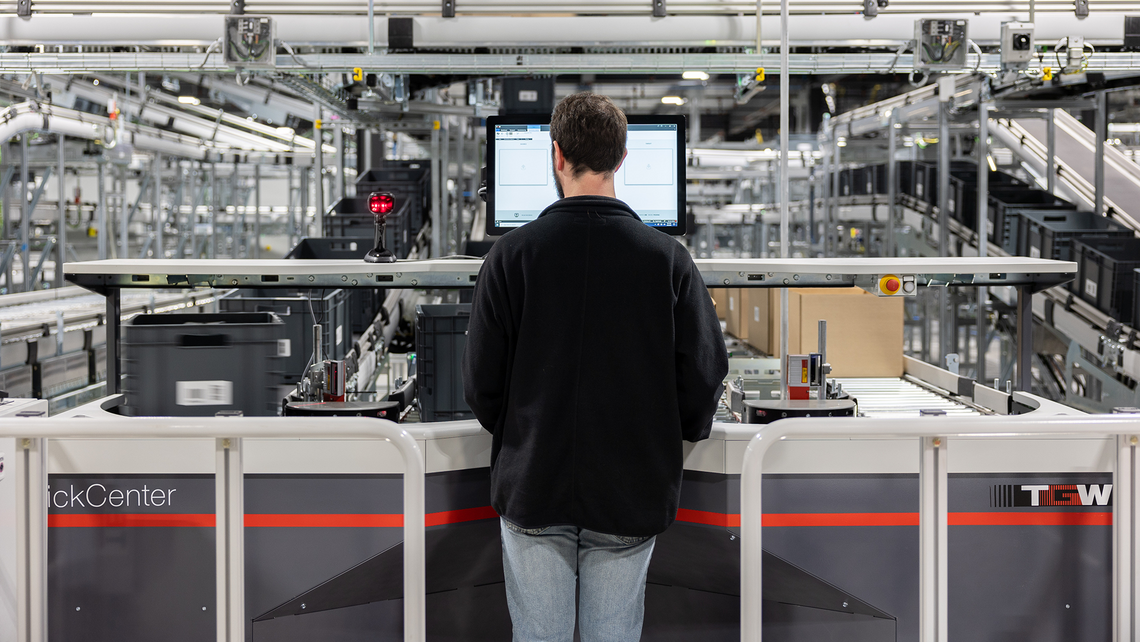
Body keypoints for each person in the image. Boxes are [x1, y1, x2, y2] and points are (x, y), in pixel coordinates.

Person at [462, 92, 728, 642]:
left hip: (535, 484)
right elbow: (704, 373)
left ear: (556, 156)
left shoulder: (509, 257)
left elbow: (482, 385)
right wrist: (664, 434)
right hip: (629, 491)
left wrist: (524, 434)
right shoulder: (668, 259)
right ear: (623, 159)